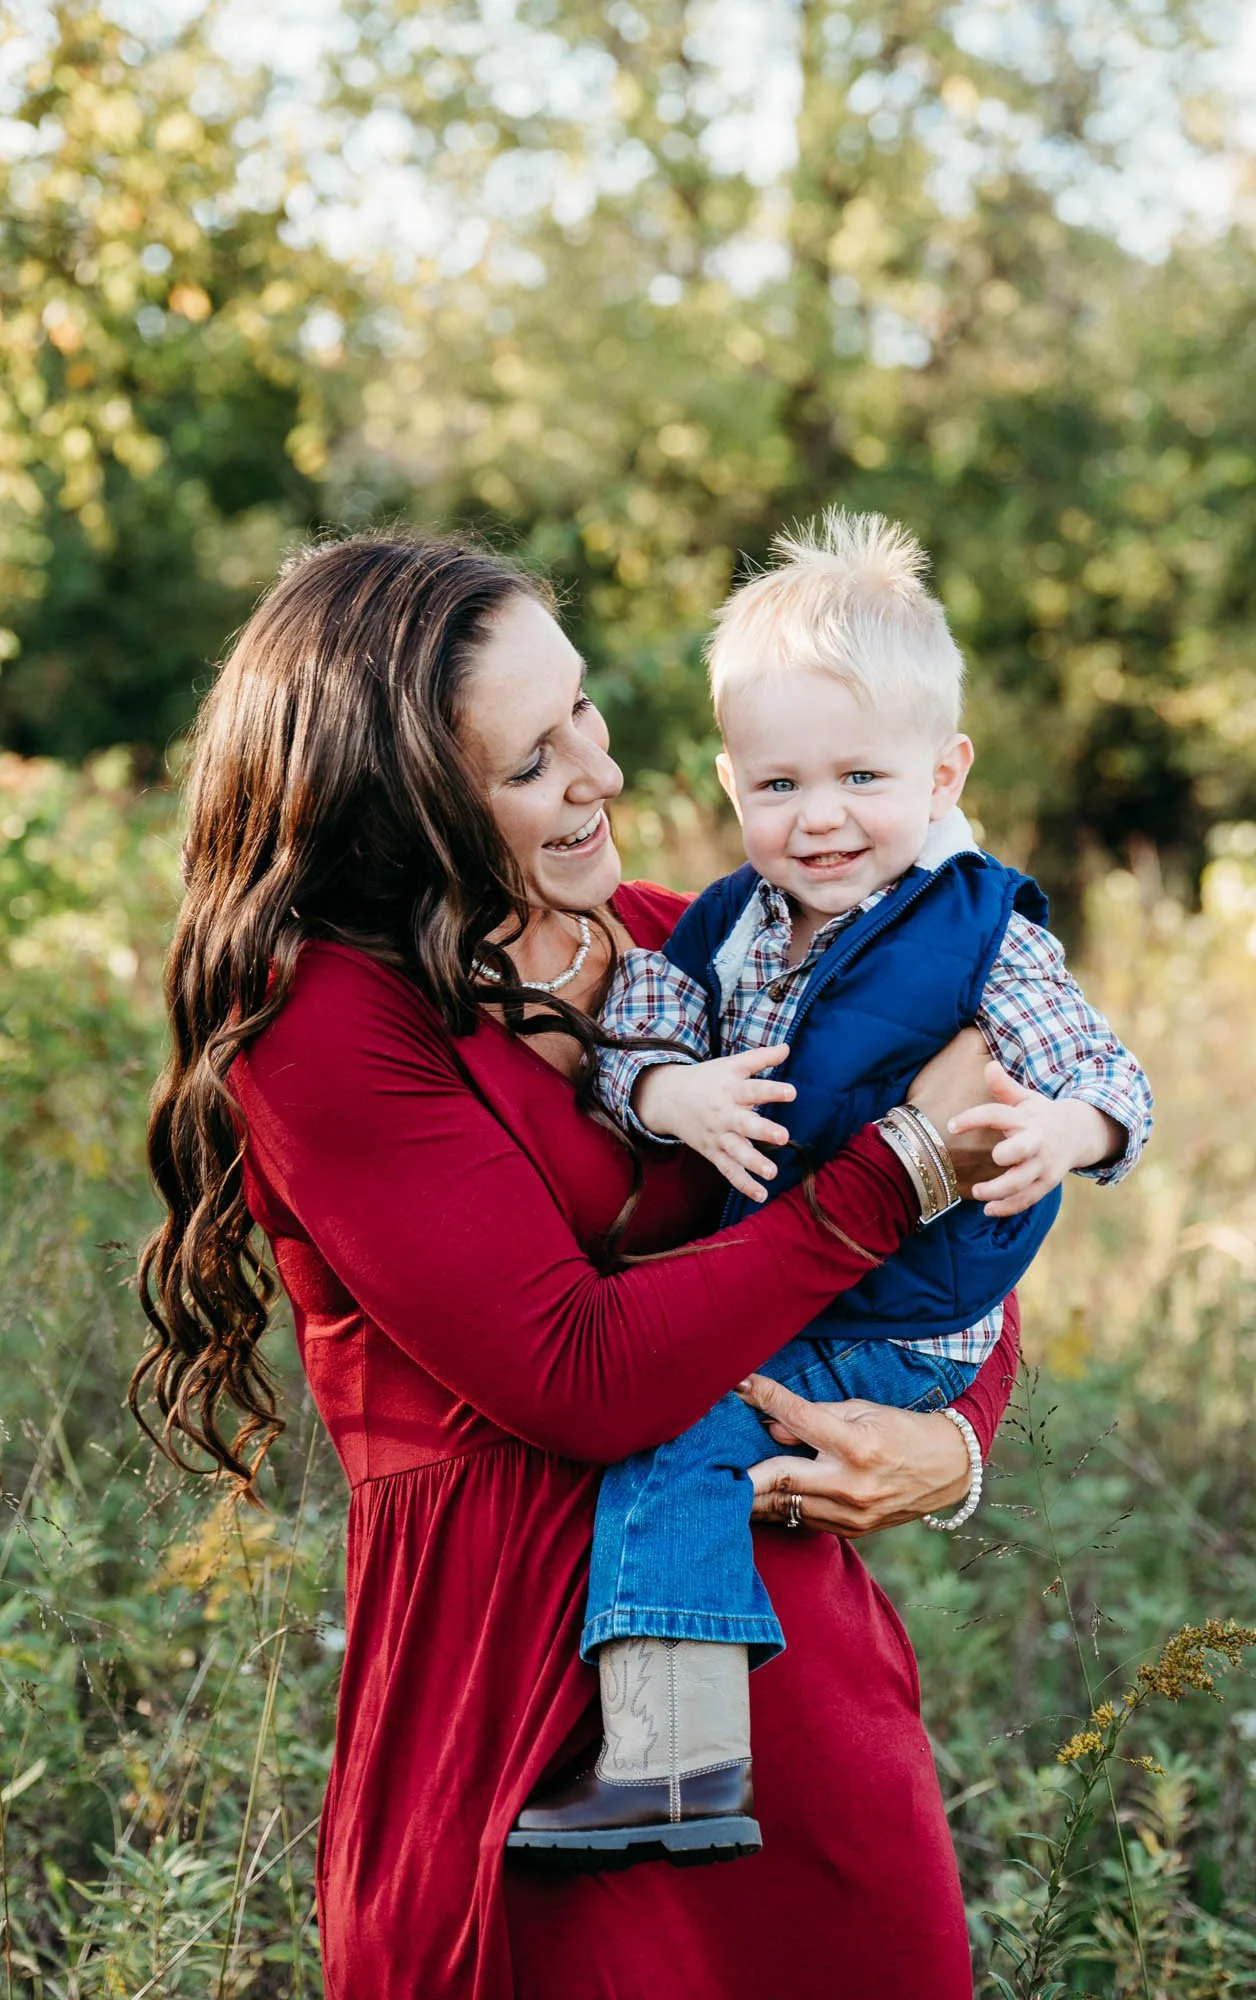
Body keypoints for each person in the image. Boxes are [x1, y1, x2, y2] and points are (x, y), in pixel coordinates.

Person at [132, 529, 1025, 2000]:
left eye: (585, 712)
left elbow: (965, 1241)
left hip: (786, 1657)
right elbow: (581, 1375)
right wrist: (891, 1171)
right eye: (533, 760)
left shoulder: (703, 952)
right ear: (402, 811)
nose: (601, 774)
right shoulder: (328, 1027)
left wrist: (950, 1442)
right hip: (530, 1711)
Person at [511, 512, 1152, 1866]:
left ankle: (673, 1764)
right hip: (811, 1281)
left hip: (904, 1323)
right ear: (729, 783)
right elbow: (632, 1052)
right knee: (682, 1429)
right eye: (776, 785)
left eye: (861, 775)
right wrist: (669, 1093)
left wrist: (1064, 1132)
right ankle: (675, 1757)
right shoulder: (715, 929)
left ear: (942, 772)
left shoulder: (978, 929)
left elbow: (1105, 1073)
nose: (818, 820)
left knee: (673, 1430)